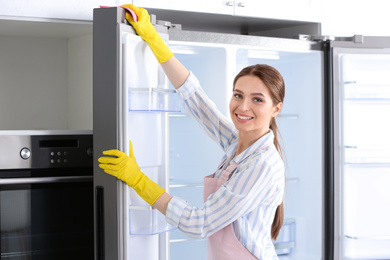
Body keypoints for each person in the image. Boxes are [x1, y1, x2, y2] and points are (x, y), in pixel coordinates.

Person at [98, 4, 286, 260]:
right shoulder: (237, 143)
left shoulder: (262, 164)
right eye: (238, 95)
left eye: (257, 100)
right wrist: (153, 39)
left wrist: (139, 181)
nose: (243, 107)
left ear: (276, 108)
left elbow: (199, 223)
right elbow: (197, 102)